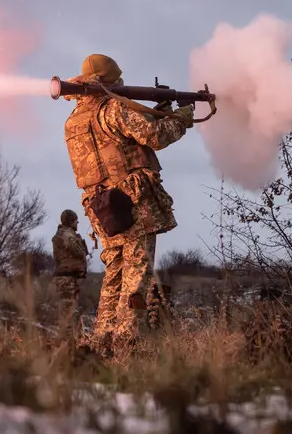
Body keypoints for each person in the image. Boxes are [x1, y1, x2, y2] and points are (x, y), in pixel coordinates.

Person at [62, 53, 194, 357]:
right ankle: (126, 343)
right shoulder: (113, 109)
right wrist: (180, 119)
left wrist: (157, 112)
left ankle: (102, 340)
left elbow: (118, 142)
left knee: (115, 272)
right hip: (132, 201)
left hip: (101, 206)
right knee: (138, 272)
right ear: (110, 81)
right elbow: (155, 136)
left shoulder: (74, 121)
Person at [51, 209, 90, 338]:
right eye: (76, 221)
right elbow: (78, 252)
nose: (77, 223)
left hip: (67, 278)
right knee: (67, 312)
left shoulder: (62, 234)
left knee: (68, 311)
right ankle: (66, 344)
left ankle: (69, 342)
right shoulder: (67, 234)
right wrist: (79, 242)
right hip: (67, 279)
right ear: (71, 221)